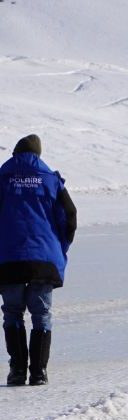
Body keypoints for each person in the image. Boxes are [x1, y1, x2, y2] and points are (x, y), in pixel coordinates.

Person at [0, 135, 77, 386]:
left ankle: (18, 370)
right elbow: (70, 216)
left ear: (15, 154)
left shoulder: (2, 178)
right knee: (41, 314)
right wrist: (58, 248)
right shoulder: (51, 181)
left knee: (12, 312)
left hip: (8, 258)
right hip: (44, 258)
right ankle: (39, 372)